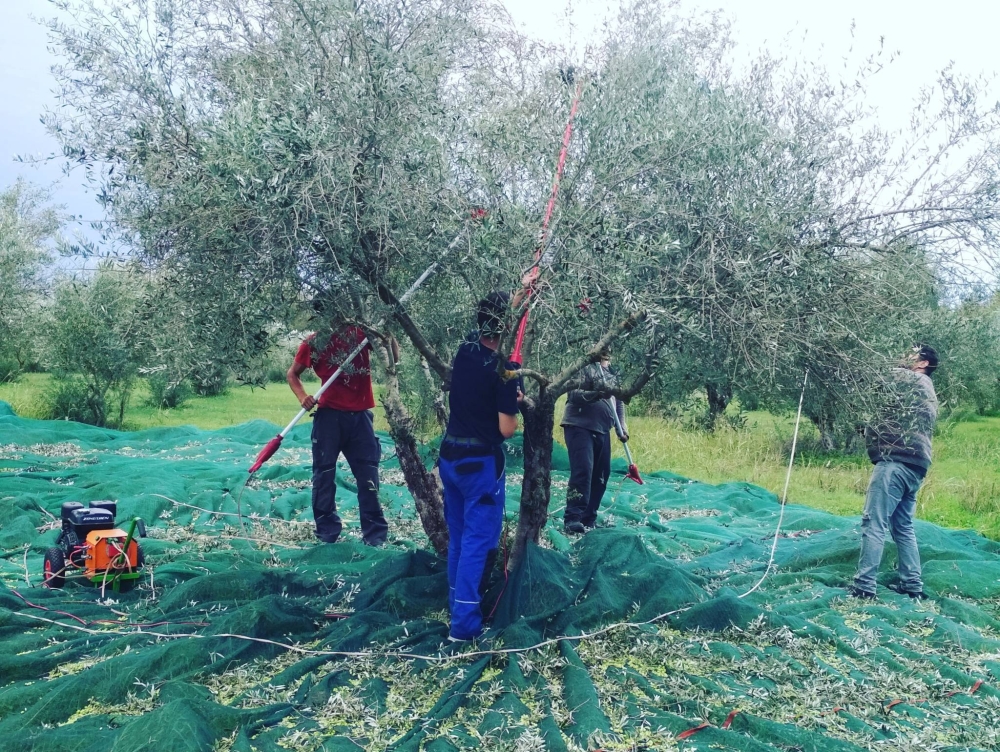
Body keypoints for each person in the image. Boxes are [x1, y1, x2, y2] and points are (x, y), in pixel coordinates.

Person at [438, 291, 523, 641]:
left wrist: (522, 292)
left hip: (450, 457)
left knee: (459, 538)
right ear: (505, 325)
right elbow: (506, 429)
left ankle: (456, 606)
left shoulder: (466, 349)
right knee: (476, 542)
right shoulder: (505, 370)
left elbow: (499, 321)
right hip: (479, 465)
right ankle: (464, 627)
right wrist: (513, 396)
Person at [287, 315, 393, 547]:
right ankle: (327, 532)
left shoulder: (362, 335)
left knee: (368, 476)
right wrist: (302, 396)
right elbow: (292, 374)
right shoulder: (314, 342)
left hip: (360, 418)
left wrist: (387, 332)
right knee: (323, 476)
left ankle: (375, 535)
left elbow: (393, 357)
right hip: (329, 418)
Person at [849, 344, 939, 600]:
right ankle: (912, 585)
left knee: (874, 522)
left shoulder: (909, 378)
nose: (905, 355)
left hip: (894, 462)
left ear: (923, 363)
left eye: (912, 352)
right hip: (916, 466)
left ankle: (864, 586)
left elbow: (871, 371)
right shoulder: (927, 388)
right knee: (903, 526)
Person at [561, 346, 628, 535]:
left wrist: (621, 427)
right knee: (583, 471)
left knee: (602, 475)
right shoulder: (583, 367)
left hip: (602, 429)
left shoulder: (612, 372)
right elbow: (574, 396)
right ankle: (573, 518)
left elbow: (618, 402)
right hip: (579, 426)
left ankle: (588, 518)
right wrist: (597, 394)